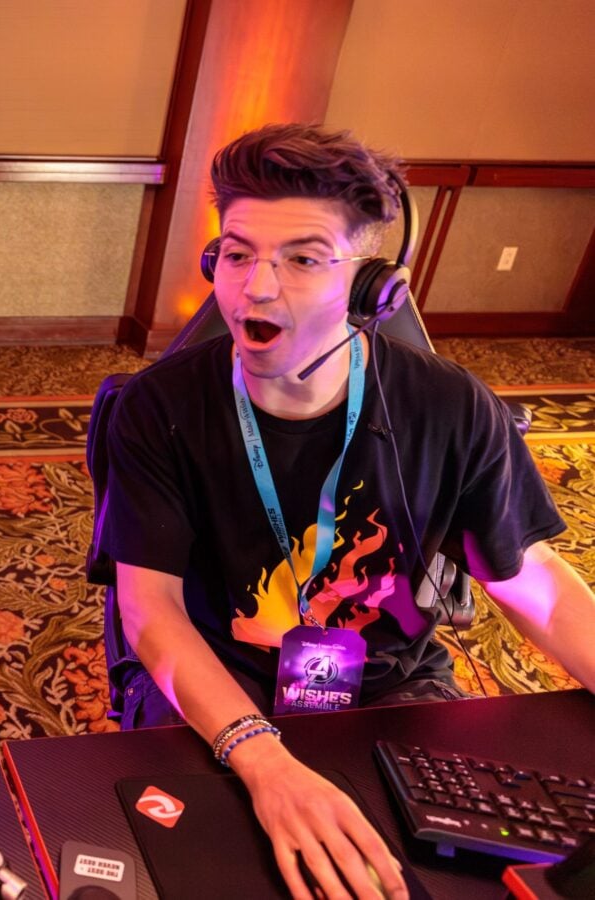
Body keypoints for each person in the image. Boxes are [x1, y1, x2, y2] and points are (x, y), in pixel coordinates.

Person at [103, 123, 594, 900]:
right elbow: (149, 611)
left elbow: (531, 579)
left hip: (390, 691)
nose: (255, 287)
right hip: (213, 692)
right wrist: (262, 758)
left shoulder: (452, 408)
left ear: (375, 286)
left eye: (302, 258)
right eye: (236, 254)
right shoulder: (157, 408)